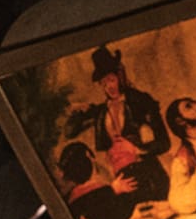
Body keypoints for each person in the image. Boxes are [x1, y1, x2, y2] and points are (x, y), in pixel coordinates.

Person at [63, 45, 167, 201]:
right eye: (104, 84)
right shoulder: (101, 112)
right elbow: (70, 132)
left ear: (120, 76)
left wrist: (136, 149)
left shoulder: (141, 101)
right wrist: (78, 113)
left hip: (148, 173)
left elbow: (164, 143)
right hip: (121, 180)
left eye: (111, 80)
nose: (109, 87)